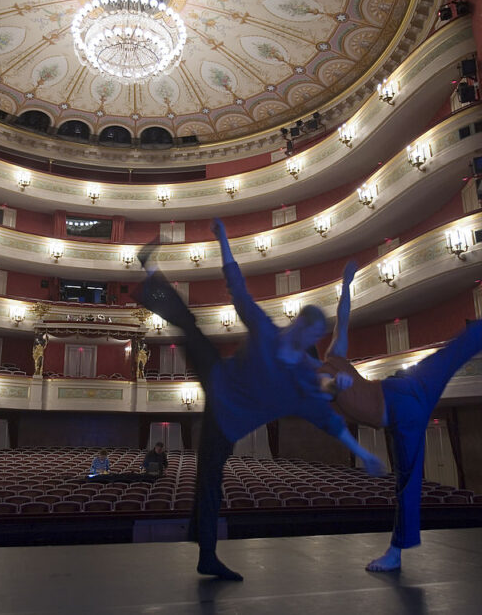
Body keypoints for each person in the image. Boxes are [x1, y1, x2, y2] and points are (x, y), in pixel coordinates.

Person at [134, 219, 379, 581]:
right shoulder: (268, 332)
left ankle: (206, 555)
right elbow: (238, 287)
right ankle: (149, 267)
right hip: (218, 381)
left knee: (209, 482)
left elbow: (328, 419)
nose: (295, 335)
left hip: (224, 420)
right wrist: (222, 239)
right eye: (300, 329)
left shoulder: (301, 382)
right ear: (297, 325)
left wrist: (363, 452)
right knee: (189, 325)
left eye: (305, 335)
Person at [318, 261, 482, 572]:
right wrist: (335, 383)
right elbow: (327, 378)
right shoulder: (323, 370)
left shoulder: (328, 361)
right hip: (403, 400)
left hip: (403, 399)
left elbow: (341, 321)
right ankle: (395, 551)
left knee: (449, 354)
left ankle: (395, 553)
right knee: (450, 353)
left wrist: (347, 284)